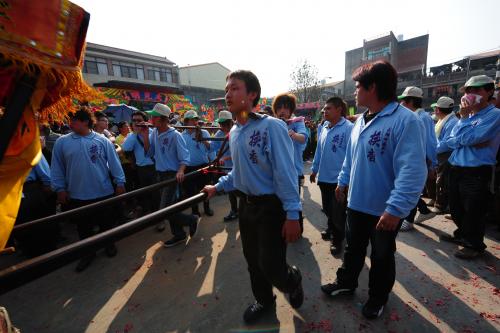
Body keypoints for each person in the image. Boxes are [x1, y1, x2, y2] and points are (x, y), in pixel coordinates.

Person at [321, 61, 427, 319]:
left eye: (358, 86)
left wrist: (396, 209)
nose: (354, 91)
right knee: (353, 249)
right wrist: (343, 181)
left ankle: (377, 298)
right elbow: (350, 156)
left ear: (374, 87)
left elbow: (412, 170)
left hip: (384, 209)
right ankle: (346, 283)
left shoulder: (405, 121)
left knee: (381, 256)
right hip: (356, 202)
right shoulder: (359, 121)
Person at [202, 70, 304, 324]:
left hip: (271, 207)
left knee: (270, 264)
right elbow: (239, 172)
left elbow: (286, 172)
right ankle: (264, 301)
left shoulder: (272, 127)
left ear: (252, 95)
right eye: (226, 89)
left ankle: (291, 280)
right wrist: (219, 186)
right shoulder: (235, 132)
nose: (228, 94)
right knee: (253, 262)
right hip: (247, 207)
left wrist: (293, 214)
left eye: (234, 88)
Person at [51, 107, 126, 272]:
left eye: (74, 120)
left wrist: (120, 183)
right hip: (77, 194)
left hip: (103, 191)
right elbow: (57, 167)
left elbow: (114, 163)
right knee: (83, 227)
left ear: (85, 122)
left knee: (106, 223)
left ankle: (109, 245)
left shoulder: (102, 140)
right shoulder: (62, 142)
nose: (70, 123)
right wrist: (59, 188)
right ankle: (88, 252)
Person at [440, 75, 500, 259]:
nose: (471, 94)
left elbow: (472, 138)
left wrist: (465, 129)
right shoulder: (468, 116)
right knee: (456, 206)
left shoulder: (494, 115)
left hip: (476, 170)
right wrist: (465, 136)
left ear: (489, 91)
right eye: (468, 90)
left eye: (477, 90)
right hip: (455, 166)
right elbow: (451, 140)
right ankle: (462, 234)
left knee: (474, 208)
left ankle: (474, 244)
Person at [142, 103, 201, 246]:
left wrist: (180, 171)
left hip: (171, 175)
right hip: (160, 174)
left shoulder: (175, 135)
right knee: (172, 207)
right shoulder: (154, 133)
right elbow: (149, 153)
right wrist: (145, 136)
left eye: (153, 117)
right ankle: (179, 234)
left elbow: (185, 157)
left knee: (165, 210)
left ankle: (191, 220)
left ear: (162, 119)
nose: (151, 119)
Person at [310, 97, 353, 255]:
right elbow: (318, 151)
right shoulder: (324, 127)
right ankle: (331, 228)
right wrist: (314, 170)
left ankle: (338, 239)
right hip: (324, 177)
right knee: (328, 208)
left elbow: (351, 155)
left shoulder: (348, 128)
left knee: (338, 211)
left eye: (328, 109)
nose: (324, 111)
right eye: (324, 109)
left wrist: (346, 180)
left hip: (338, 180)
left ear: (339, 110)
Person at [398, 86, 436, 231]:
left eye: (404, 101)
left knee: (412, 188)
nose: (401, 104)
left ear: (411, 101)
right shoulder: (411, 116)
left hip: (420, 160)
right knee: (408, 188)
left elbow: (430, 142)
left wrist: (432, 165)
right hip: (410, 158)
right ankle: (423, 210)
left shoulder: (422, 117)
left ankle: (409, 219)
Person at [273, 93, 308, 233]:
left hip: (294, 171)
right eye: (279, 107)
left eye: (286, 108)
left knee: (294, 203)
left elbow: (303, 138)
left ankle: (297, 228)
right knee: (279, 203)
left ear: (291, 110)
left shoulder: (297, 123)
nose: (282, 111)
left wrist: (292, 134)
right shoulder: (273, 124)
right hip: (277, 172)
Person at [122, 111, 157, 216]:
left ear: (145, 122)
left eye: (139, 120)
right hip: (141, 169)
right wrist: (135, 134)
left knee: (156, 193)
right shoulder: (131, 136)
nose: (136, 123)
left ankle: (159, 216)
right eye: (134, 120)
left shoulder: (153, 132)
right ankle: (147, 213)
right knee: (145, 193)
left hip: (155, 167)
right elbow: (125, 148)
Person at [181, 110, 214, 217]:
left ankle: (207, 207)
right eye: (192, 120)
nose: (195, 122)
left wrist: (203, 140)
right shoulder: (181, 135)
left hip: (203, 166)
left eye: (196, 119)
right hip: (189, 168)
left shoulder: (204, 132)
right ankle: (195, 211)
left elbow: (211, 149)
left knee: (205, 188)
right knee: (191, 191)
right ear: (186, 122)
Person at [429, 96, 458, 214]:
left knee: (442, 181)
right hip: (440, 156)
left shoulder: (452, 122)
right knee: (439, 179)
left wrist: (432, 150)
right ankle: (437, 200)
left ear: (438, 110)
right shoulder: (443, 120)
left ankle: (440, 205)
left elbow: (446, 144)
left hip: (447, 156)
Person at [212, 110, 238, 221]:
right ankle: (234, 210)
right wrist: (202, 140)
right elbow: (212, 147)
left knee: (242, 190)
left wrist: (224, 158)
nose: (221, 126)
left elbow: (240, 153)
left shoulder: (237, 131)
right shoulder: (219, 133)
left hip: (239, 166)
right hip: (228, 167)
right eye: (220, 124)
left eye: (224, 124)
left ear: (230, 123)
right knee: (231, 190)